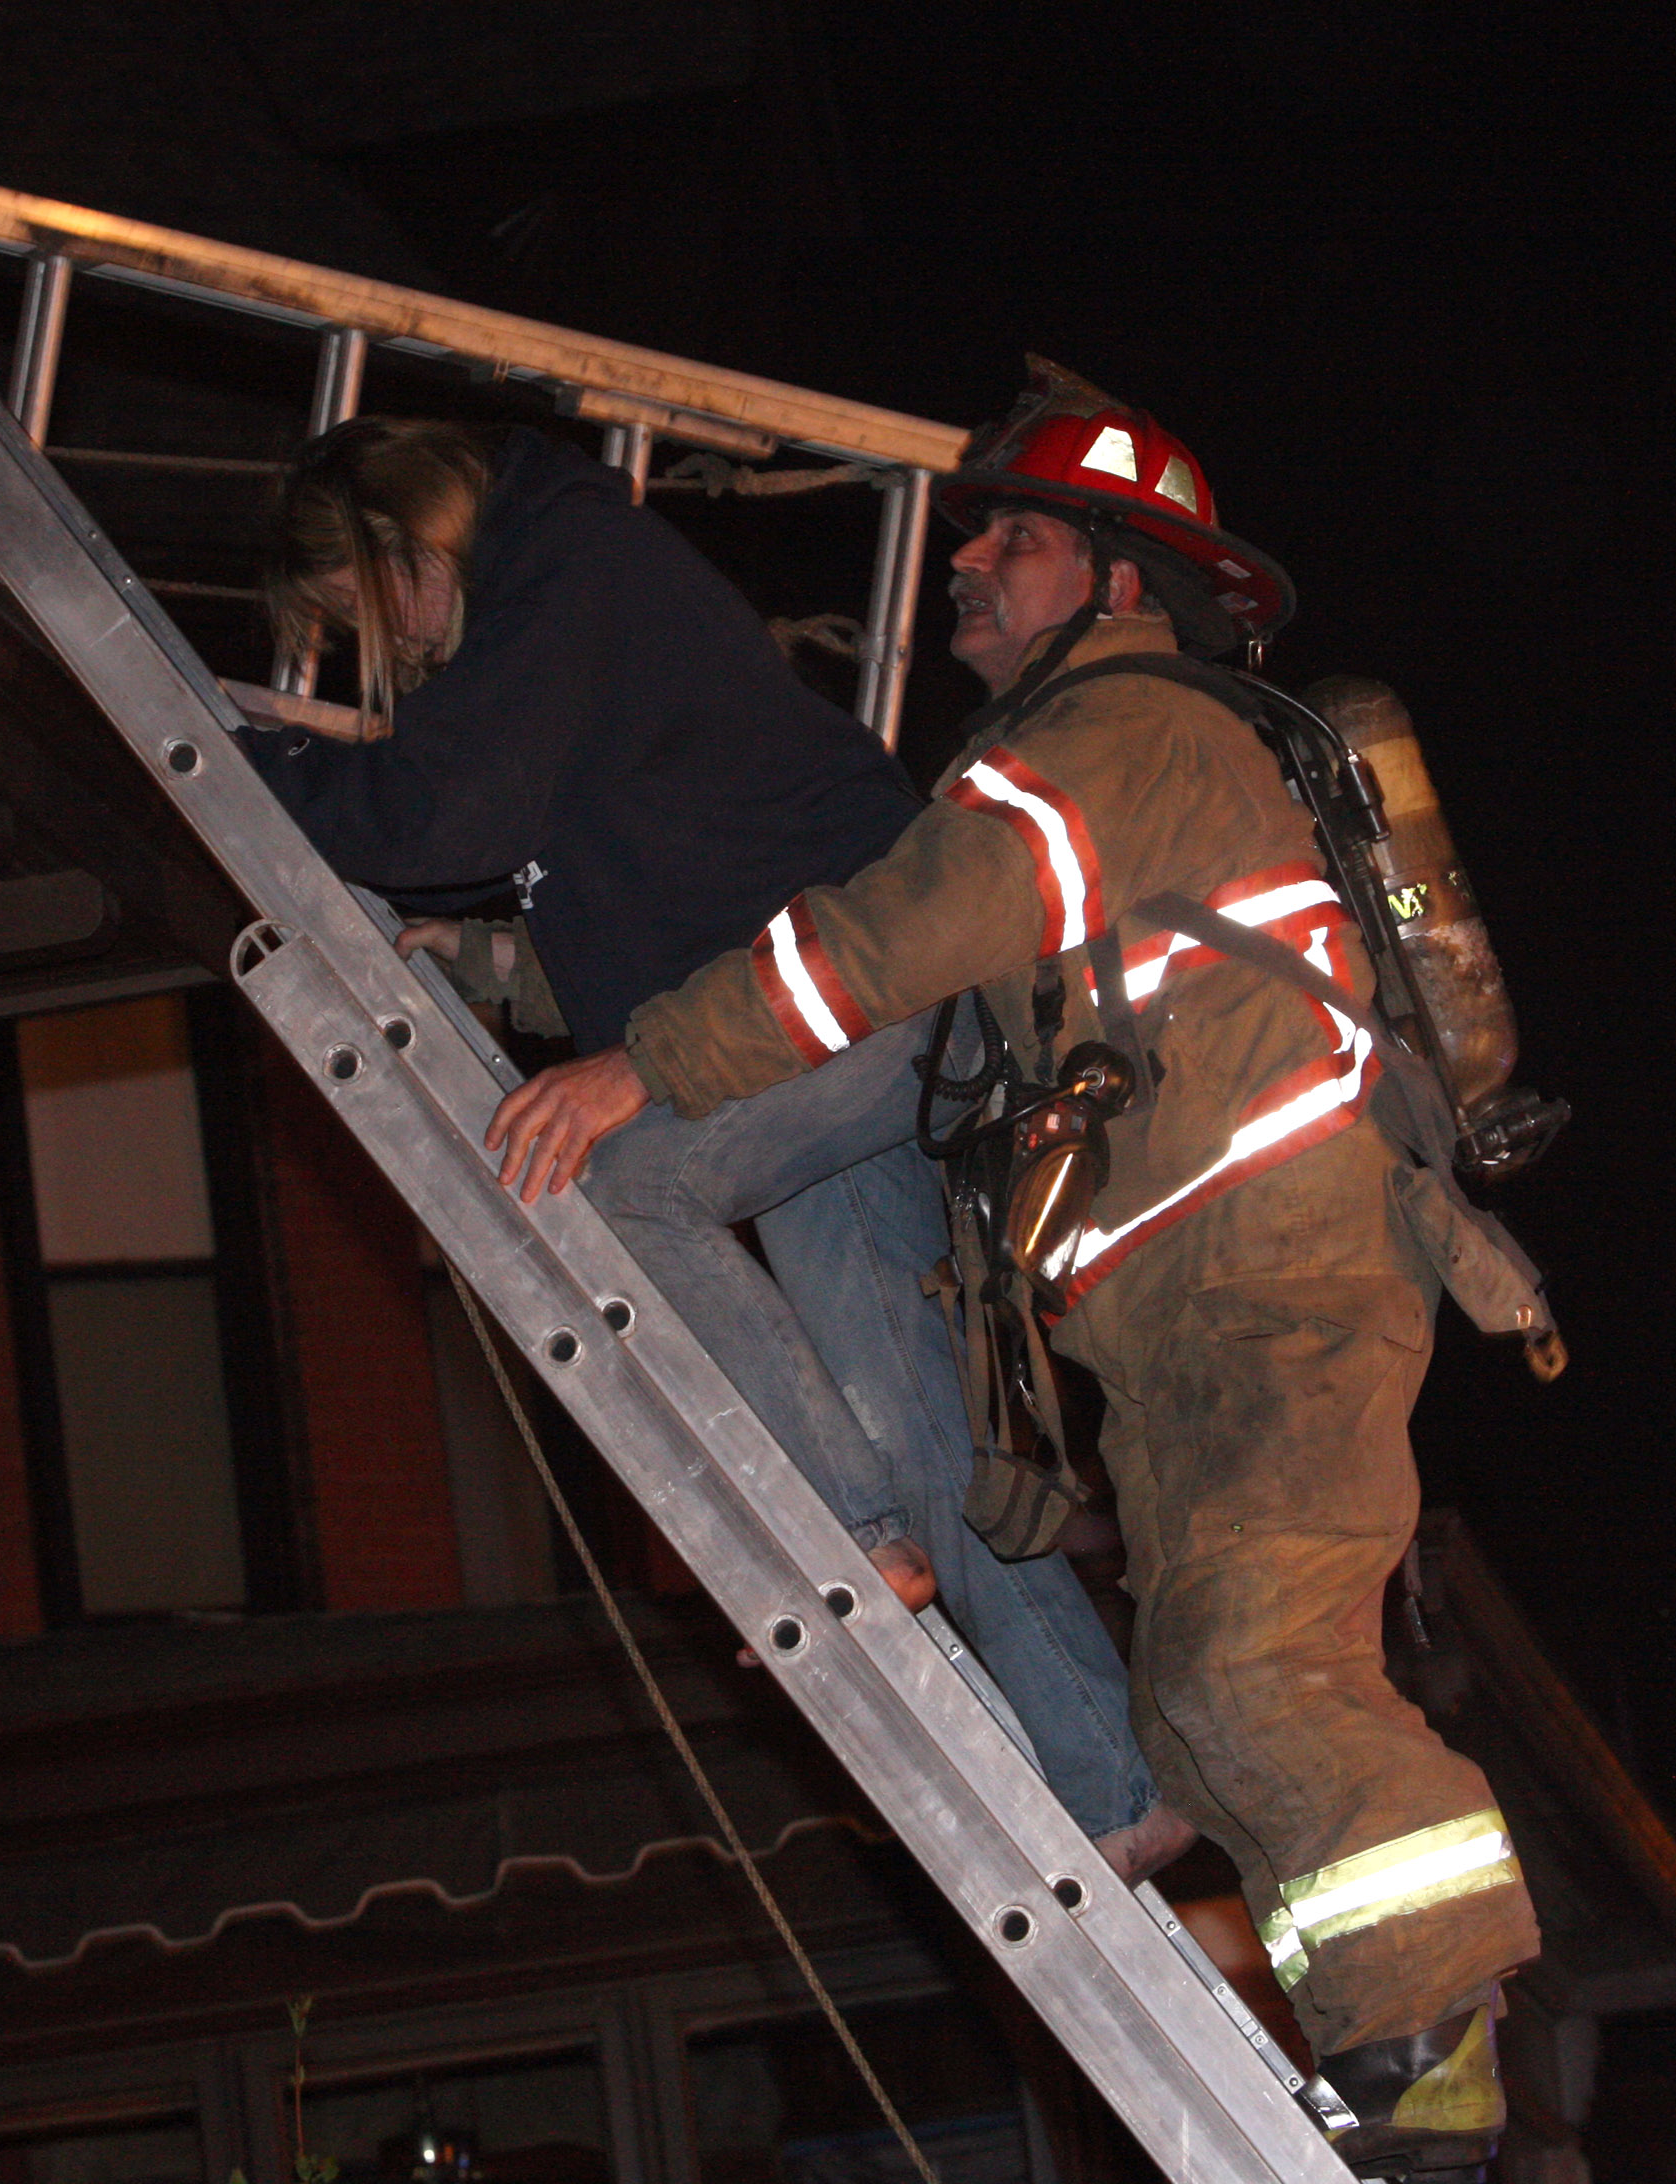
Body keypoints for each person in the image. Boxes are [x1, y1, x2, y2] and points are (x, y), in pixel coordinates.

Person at [493, 361, 1541, 2184]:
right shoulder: (1103, 757)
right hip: (1195, 1316)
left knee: (1250, 1659)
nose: (965, 559)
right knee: (1204, 1704)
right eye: (974, 528)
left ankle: (1433, 2042)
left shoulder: (1120, 742)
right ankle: (1385, 2047)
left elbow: (881, 950)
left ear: (1121, 582)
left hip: (1274, 1278)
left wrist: (638, 1067)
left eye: (1017, 536)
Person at [234, 415, 1176, 1879]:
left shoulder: (561, 560)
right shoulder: (577, 588)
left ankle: (853, 1533)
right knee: (917, 1410)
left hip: (848, 997)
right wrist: (493, 962)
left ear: (405, 543)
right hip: (821, 1013)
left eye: (380, 611)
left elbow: (443, 807)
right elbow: (657, 885)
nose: (403, 650)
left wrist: (264, 767)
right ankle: (1112, 1778)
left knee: (610, 1181)